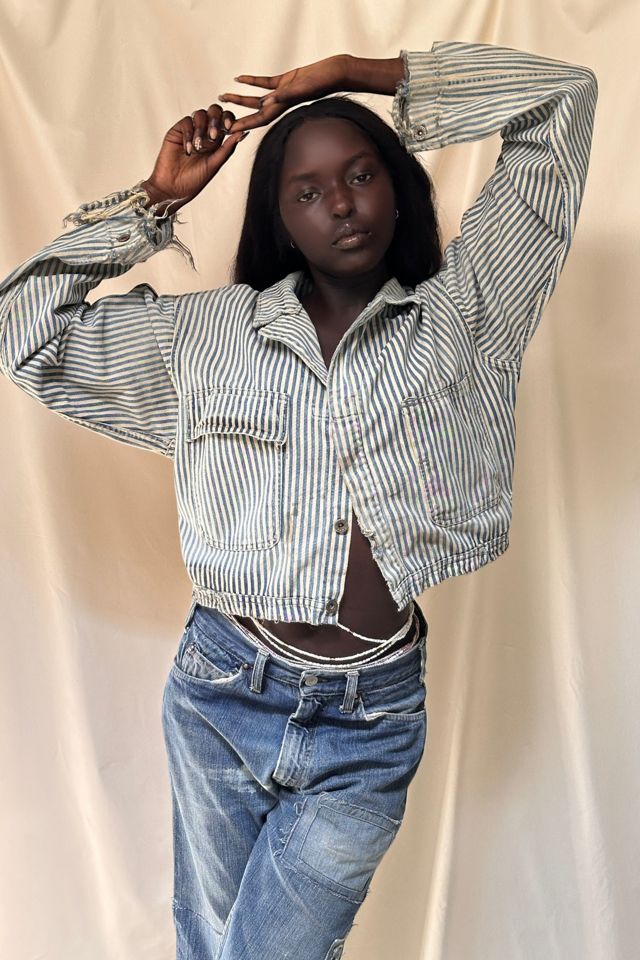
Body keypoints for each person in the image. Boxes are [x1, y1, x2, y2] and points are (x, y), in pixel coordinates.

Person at [0, 40, 597, 960]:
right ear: (279, 221)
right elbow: (23, 331)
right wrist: (155, 201)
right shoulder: (209, 339)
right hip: (221, 693)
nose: (341, 204)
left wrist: (361, 72)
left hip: (373, 722)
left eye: (359, 175)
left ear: (396, 185)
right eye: (307, 192)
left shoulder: (468, 313)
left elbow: (562, 100)